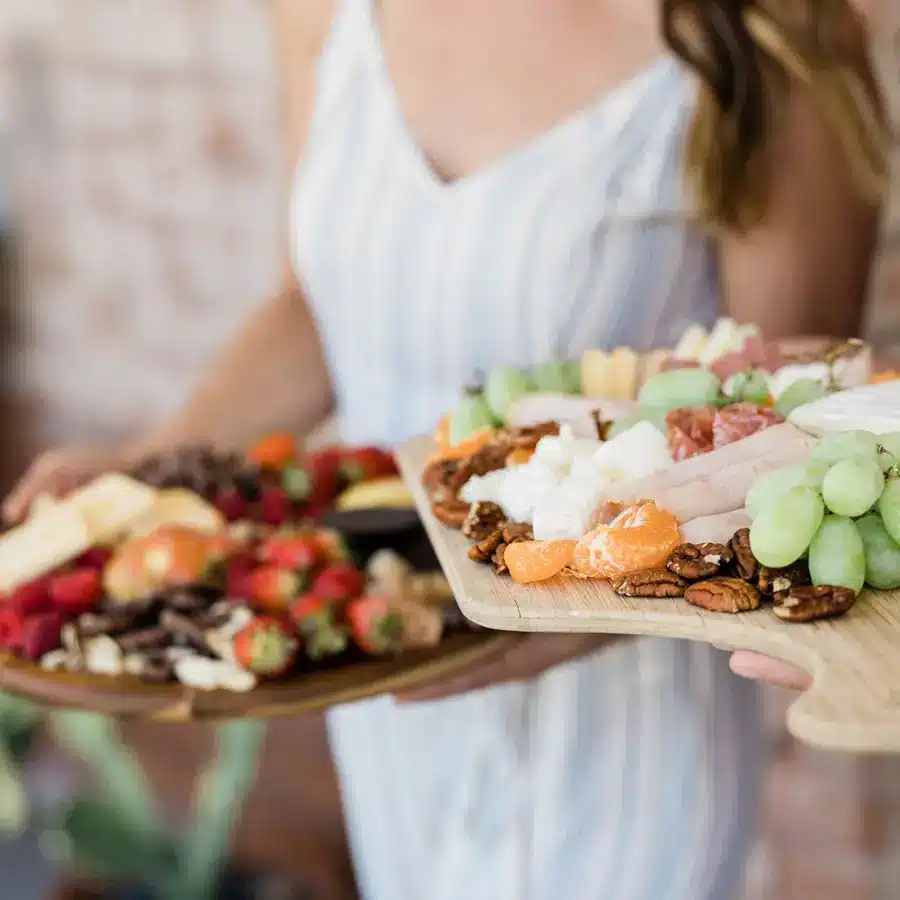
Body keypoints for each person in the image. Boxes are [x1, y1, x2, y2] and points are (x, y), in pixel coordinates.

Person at [7, 0, 888, 897]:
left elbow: (783, 431)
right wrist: (144, 469)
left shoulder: (770, 31)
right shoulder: (324, 12)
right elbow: (319, 304)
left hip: (623, 719)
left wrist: (542, 622)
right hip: (394, 663)